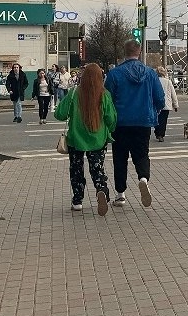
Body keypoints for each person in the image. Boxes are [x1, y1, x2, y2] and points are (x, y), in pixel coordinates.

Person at [105, 40, 165, 208]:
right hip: (143, 122)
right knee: (142, 154)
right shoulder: (150, 73)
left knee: (120, 158)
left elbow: (107, 99)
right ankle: (143, 178)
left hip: (121, 123)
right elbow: (160, 98)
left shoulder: (114, 74)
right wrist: (155, 111)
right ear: (139, 52)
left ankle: (120, 194)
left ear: (124, 52)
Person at [54, 64, 117, 215]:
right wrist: (109, 129)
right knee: (97, 169)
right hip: (98, 139)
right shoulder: (104, 94)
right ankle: (101, 189)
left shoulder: (74, 93)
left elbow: (59, 114)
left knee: (76, 170)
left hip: (75, 139)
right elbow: (111, 119)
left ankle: (77, 201)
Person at [154, 66, 179, 142]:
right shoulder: (168, 81)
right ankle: (161, 135)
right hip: (166, 104)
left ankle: (157, 132)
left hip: (155, 104)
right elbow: (173, 94)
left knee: (156, 119)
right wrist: (175, 105)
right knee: (163, 121)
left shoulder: (154, 81)